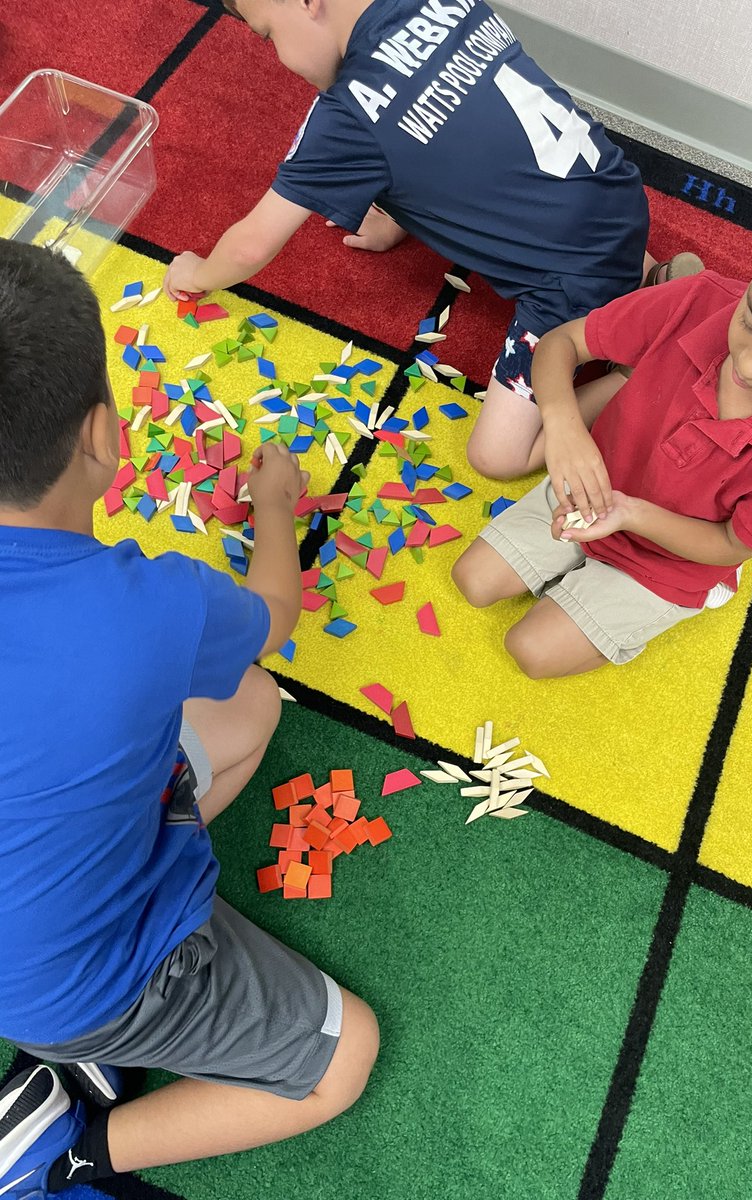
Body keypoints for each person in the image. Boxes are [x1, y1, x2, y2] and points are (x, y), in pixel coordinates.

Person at [0, 241, 378, 1199]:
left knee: (243, 713)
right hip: (71, 985)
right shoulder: (148, 605)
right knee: (344, 1057)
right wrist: (276, 506)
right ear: (103, 437)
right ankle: (76, 1150)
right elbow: (276, 619)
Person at [451, 133, 752, 678]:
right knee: (473, 583)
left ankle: (689, 600)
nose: (751, 366)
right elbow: (560, 345)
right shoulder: (699, 299)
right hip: (589, 485)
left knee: (532, 652)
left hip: (672, 558)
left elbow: (731, 543)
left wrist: (631, 513)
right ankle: (632, 369)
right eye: (751, 322)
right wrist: (565, 429)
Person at [162, 0, 668, 479]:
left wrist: (197, 271)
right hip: (619, 196)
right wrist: (395, 218)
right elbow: (451, 134)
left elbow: (252, 245)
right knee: (579, 238)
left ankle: (637, 369)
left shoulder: (346, 115)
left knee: (497, 454)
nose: (276, 54)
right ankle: (651, 280)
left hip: (568, 286)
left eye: (267, 33)